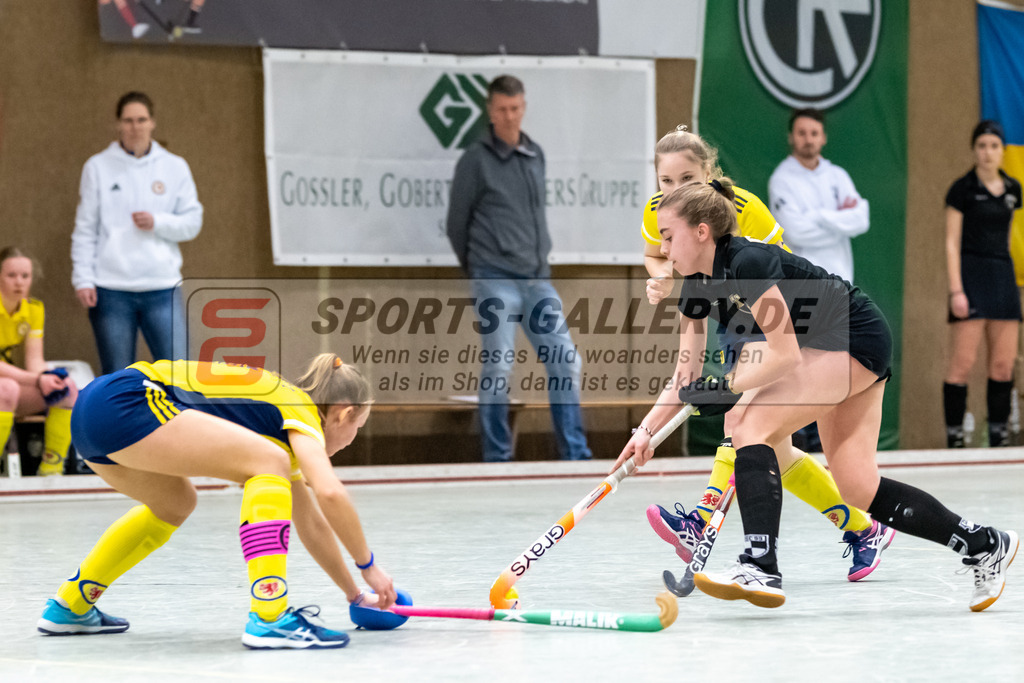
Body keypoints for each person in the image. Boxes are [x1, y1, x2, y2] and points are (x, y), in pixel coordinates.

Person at [613, 180, 1018, 611]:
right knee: (858, 486)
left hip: (852, 336)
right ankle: (983, 543)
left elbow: (783, 353)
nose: (661, 248)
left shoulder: (747, 261)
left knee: (750, 424)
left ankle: (760, 564)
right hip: (827, 348)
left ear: (700, 232)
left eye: (668, 235)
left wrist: (727, 388)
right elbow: (684, 375)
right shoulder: (694, 288)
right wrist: (646, 432)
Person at [640, 127, 893, 582]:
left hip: (772, 317)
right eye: (665, 182)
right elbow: (657, 258)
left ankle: (704, 519)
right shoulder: (662, 217)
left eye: (686, 179)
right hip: (722, 309)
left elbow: (776, 273)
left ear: (708, 175)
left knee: (743, 419)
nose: (674, 192)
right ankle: (860, 528)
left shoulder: (743, 209)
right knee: (770, 444)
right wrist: (645, 431)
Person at [36, 354, 397, 648]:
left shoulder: (279, 412)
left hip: (91, 412)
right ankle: (269, 616)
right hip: (128, 399)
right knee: (267, 460)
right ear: (343, 412)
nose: (352, 437)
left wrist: (355, 594)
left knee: (175, 503)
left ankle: (72, 605)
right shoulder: (299, 409)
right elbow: (330, 491)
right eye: (358, 426)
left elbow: (312, 523)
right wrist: (369, 565)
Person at [446, 74, 591, 462]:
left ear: (523, 107)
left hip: (537, 281)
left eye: (515, 109)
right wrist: (480, 270)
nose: (509, 117)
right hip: (494, 279)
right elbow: (456, 223)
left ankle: (575, 454)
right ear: (490, 112)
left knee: (564, 360)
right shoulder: (475, 160)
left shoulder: (535, 154)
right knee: (499, 365)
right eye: (501, 110)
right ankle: (497, 457)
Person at [71, 91, 203, 376]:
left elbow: (193, 222)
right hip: (111, 289)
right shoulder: (97, 167)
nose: (135, 127)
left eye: (141, 119)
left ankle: (184, 422)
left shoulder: (174, 167)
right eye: (128, 120)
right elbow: (85, 228)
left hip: (162, 286)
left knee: (181, 375)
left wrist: (157, 222)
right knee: (117, 377)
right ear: (119, 124)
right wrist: (83, 278)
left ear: (152, 122)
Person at [943, 120, 1022, 448]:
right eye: (982, 146)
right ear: (974, 150)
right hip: (971, 276)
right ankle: (955, 436)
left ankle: (999, 435)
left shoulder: (1014, 190)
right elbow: (951, 241)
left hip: (1002, 275)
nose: (988, 153)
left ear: (1002, 151)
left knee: (1003, 365)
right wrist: (956, 290)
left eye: (994, 146)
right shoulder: (962, 189)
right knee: (962, 363)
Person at [768, 108, 869, 284]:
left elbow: (861, 220)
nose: (808, 139)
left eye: (814, 133)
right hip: (800, 284)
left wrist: (817, 216)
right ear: (791, 137)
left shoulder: (838, 176)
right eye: (802, 133)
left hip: (841, 282)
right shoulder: (781, 180)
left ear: (823, 138)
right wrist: (841, 227)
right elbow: (795, 232)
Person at [0, 247, 78, 476]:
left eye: (25, 276)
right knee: (7, 389)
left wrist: (51, 377)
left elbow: (35, 360)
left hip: (8, 387)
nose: (19, 282)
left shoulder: (34, 309)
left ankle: (51, 468)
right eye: (11, 275)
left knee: (67, 389)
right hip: (5, 387)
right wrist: (37, 378)